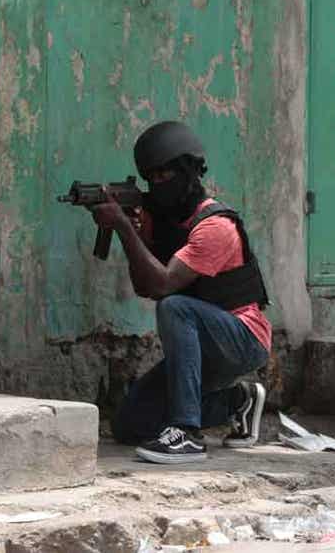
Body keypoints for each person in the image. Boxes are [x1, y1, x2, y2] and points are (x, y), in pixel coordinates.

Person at [90, 120, 271, 464]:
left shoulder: (216, 226)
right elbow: (146, 286)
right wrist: (136, 233)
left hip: (243, 339)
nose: (158, 185)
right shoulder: (167, 222)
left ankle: (186, 433)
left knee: (175, 307)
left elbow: (163, 287)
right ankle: (239, 402)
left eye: (165, 176)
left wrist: (124, 227)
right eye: (152, 179)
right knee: (129, 424)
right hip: (205, 343)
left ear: (188, 173)